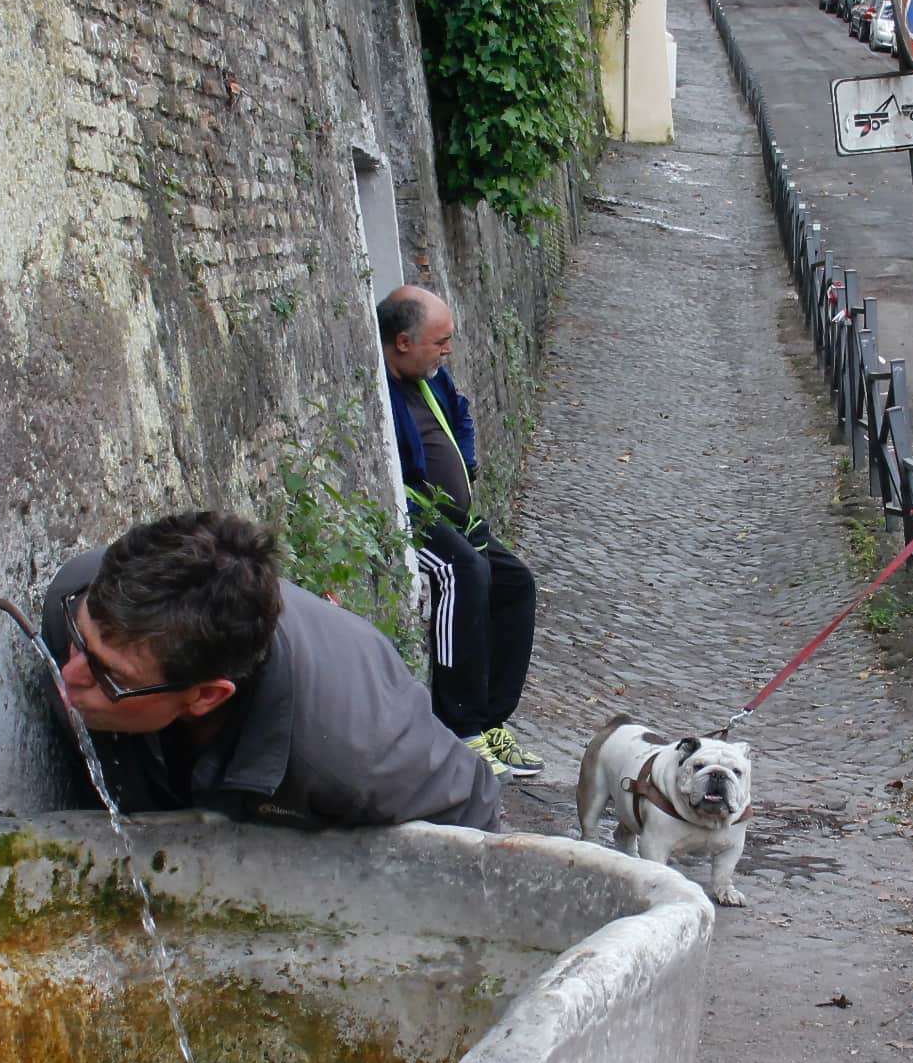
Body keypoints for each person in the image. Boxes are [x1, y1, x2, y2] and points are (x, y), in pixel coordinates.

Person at [40, 510, 500, 831]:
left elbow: (472, 821)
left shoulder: (359, 755)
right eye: (80, 641)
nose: (68, 674)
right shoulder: (79, 596)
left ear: (206, 696)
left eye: (109, 676)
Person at [378, 285, 543, 782]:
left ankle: (492, 719)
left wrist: (465, 465)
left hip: (454, 518)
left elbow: (464, 413)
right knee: (462, 572)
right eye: (440, 341)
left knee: (515, 583)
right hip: (413, 517)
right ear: (403, 342)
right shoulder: (381, 387)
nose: (447, 350)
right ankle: (459, 725)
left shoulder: (431, 378)